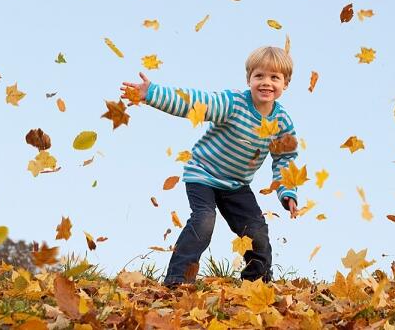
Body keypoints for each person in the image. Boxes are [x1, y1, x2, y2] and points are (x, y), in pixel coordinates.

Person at [120, 46, 299, 286]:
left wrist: (287, 192)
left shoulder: (282, 122)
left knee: (256, 231)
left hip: (236, 185)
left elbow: (285, 159)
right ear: (249, 79)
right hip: (203, 174)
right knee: (204, 220)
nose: (266, 83)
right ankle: (178, 279)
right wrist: (152, 94)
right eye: (259, 76)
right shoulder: (233, 103)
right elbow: (196, 103)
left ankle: (257, 283)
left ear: (285, 84)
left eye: (274, 78)